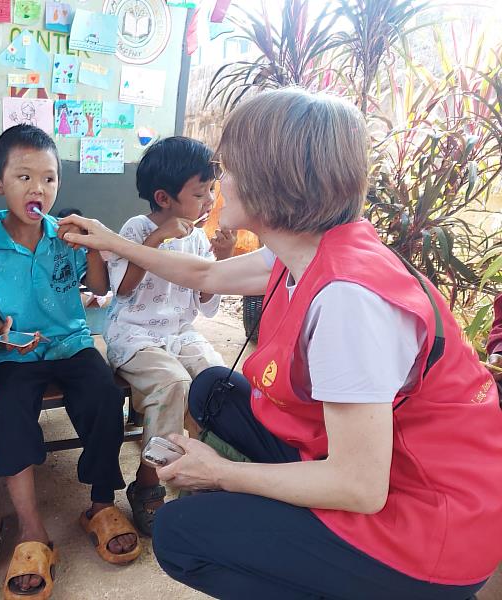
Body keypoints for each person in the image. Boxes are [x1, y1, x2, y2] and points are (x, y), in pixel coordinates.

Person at [59, 88, 502, 599]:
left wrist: (222, 474)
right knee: (212, 389)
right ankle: (293, 519)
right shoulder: (309, 246)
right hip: (390, 476)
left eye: (228, 168)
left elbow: (360, 486)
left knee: (183, 534)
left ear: (272, 182)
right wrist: (110, 241)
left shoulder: (348, 304)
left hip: (428, 532)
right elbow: (204, 271)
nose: (218, 183)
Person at [0, 124, 141, 599]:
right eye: (24, 177)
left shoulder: (64, 236)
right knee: (7, 414)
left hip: (70, 342)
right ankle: (31, 530)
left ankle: (101, 505)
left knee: (105, 397)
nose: (37, 188)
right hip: (15, 352)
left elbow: (100, 290)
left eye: (48, 178)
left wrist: (95, 245)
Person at [106, 136, 234, 536]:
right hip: (135, 336)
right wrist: (154, 242)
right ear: (164, 197)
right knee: (174, 383)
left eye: (211, 190)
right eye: (200, 193)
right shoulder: (137, 228)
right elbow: (122, 289)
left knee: (218, 379)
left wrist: (224, 258)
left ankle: (199, 472)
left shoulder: (196, 237)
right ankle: (146, 484)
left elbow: (204, 297)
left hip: (179, 333)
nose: (210, 200)